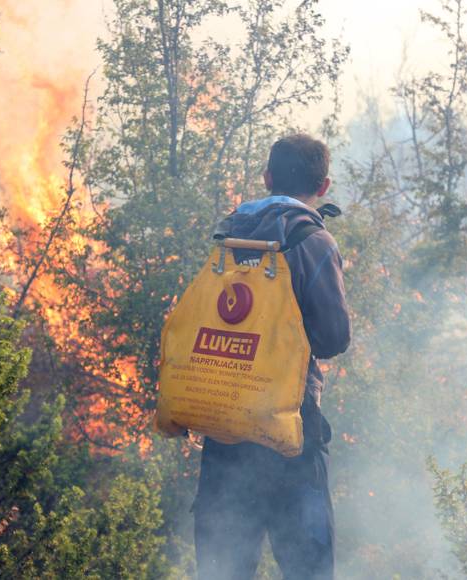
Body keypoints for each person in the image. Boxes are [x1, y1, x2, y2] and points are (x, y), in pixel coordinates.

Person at [193, 134, 351, 579]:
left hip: (224, 423)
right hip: (289, 430)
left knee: (223, 570)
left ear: (267, 178)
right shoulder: (314, 241)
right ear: (323, 187)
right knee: (308, 569)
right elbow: (332, 338)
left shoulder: (229, 234)